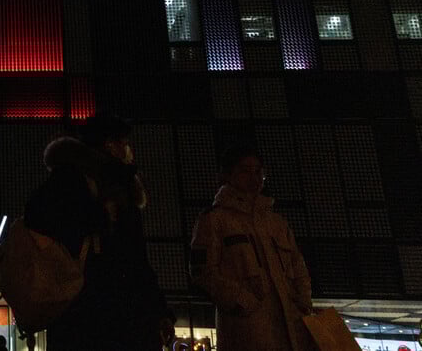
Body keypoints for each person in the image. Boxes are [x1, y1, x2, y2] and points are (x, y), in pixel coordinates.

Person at [23, 115, 174, 350]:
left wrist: (158, 310)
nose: (128, 150)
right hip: (91, 312)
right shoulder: (73, 179)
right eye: (124, 143)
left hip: (95, 312)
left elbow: (136, 259)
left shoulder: (118, 185)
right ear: (110, 145)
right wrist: (98, 217)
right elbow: (37, 216)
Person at [190, 143, 316, 351]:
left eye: (258, 172)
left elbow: (298, 265)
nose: (254, 178)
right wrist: (241, 300)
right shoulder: (214, 220)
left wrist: (303, 302)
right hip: (247, 332)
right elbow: (202, 272)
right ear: (228, 174)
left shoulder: (276, 222)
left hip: (290, 330)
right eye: (245, 171)